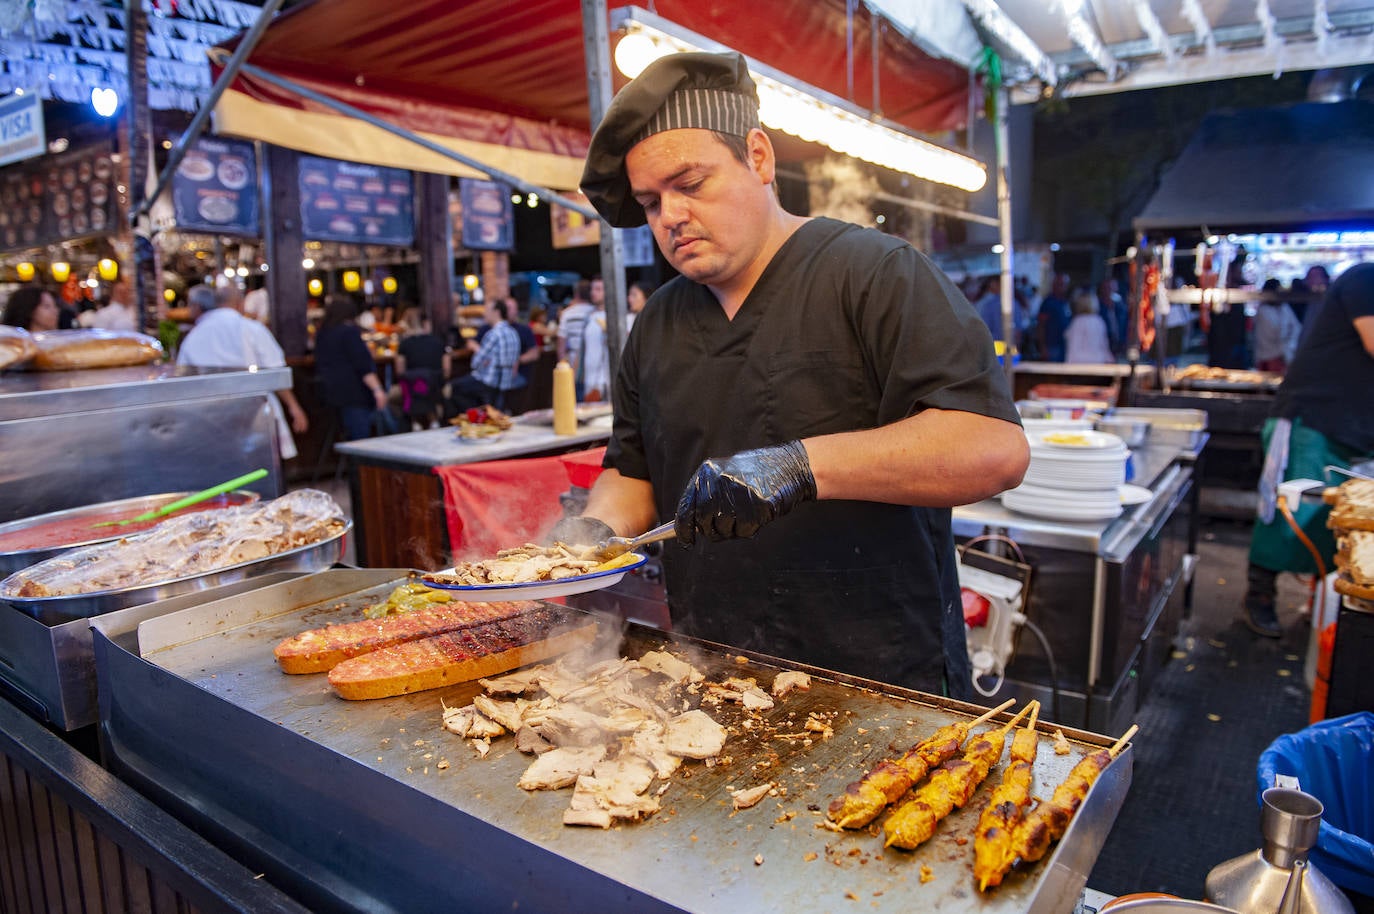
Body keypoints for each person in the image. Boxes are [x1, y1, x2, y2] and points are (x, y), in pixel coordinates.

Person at [567, 51, 1028, 696]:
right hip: (714, 670)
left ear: (758, 156)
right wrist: (585, 539)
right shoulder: (659, 322)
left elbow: (993, 448)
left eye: (690, 184)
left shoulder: (876, 274)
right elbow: (633, 474)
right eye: (650, 202)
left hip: (881, 674)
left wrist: (799, 468)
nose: (669, 216)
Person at [1242, 263, 1374, 637]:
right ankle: (1259, 597)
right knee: (1287, 514)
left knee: (1339, 526)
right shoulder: (1366, 279)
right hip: (1312, 419)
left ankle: (1324, 606)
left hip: (1357, 428)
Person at [176, 283, 309, 458]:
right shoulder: (251, 329)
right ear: (240, 304)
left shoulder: (193, 336)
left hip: (210, 418)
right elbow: (275, 372)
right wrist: (294, 407)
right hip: (255, 412)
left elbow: (182, 380)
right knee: (263, 470)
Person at [313, 295, 389, 441]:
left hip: (329, 393)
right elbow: (363, 365)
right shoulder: (349, 332)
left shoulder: (322, 334)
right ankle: (365, 460)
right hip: (353, 393)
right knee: (365, 432)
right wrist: (378, 390)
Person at [447, 298, 525, 413]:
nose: (485, 313)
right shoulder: (513, 333)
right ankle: (481, 416)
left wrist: (476, 348)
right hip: (505, 382)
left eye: (487, 310)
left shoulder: (493, 334)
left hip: (490, 381)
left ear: (497, 312)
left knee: (454, 388)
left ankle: (474, 419)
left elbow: (475, 363)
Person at [393, 307, 451, 429]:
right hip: (435, 388)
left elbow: (400, 372)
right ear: (425, 323)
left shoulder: (404, 345)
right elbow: (447, 371)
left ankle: (410, 423)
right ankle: (434, 420)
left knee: (392, 397)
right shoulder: (438, 342)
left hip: (412, 389)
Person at [556, 278, 599, 399]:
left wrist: (563, 367)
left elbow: (561, 344)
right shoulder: (594, 312)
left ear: (576, 293)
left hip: (574, 363)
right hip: (593, 364)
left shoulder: (567, 313)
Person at [1252, 278, 1301, 373]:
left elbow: (1296, 327)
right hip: (1268, 356)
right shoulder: (1263, 311)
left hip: (1287, 355)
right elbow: (1272, 334)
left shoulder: (1284, 307)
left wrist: (1290, 345)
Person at [1063, 288, 1115, 364]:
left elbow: (1073, 351)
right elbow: (1105, 348)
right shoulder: (1099, 321)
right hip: (1098, 364)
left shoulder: (1078, 322)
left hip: (1082, 366)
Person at [1035, 273, 1073, 362]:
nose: (1062, 287)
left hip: (1065, 346)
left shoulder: (1065, 302)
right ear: (1054, 285)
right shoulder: (1048, 302)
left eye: (1064, 285)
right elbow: (1041, 326)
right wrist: (1043, 347)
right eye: (1060, 284)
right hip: (1052, 346)